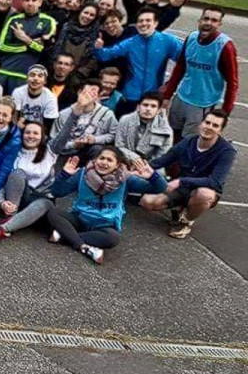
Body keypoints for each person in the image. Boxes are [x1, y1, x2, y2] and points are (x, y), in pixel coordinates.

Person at [47, 148, 166, 264]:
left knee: (113, 238)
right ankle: (83, 246)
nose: (104, 162)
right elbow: (58, 192)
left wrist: (152, 176)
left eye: (109, 160)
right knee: (52, 212)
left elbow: (160, 188)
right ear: (95, 160)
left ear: (117, 164)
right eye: (101, 158)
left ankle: (65, 236)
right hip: (80, 219)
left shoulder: (126, 179)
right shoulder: (83, 173)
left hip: (104, 226)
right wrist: (64, 174)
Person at [141, 109, 236, 239]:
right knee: (147, 201)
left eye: (215, 125)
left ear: (220, 130)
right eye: (207, 122)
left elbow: (215, 181)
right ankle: (179, 206)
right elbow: (165, 159)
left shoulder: (227, 151)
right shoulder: (188, 141)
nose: (209, 127)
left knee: (204, 195)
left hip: (203, 190)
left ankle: (186, 221)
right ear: (200, 124)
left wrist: (181, 181)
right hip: (182, 188)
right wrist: (141, 167)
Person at [161, 7, 240, 140]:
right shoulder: (191, 38)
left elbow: (233, 83)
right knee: (170, 134)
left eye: (214, 20)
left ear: (219, 24)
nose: (208, 23)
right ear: (200, 20)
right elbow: (179, 68)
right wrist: (167, 95)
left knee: (189, 142)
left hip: (202, 103)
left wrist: (224, 113)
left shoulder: (225, 46)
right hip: (182, 96)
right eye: (206, 18)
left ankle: (182, 161)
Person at [94, 7, 182, 116]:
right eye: (140, 21)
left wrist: (168, 86)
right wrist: (99, 48)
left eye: (148, 20)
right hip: (130, 95)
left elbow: (184, 61)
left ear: (155, 23)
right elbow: (106, 55)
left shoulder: (167, 41)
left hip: (152, 95)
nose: (144, 24)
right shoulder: (130, 42)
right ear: (136, 24)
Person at [0, 120, 59, 242]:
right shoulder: (15, 152)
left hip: (41, 199)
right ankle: (10, 217)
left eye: (35, 133)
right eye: (27, 132)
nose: (31, 136)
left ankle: (4, 228)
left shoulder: (51, 151)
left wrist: (76, 111)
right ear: (22, 135)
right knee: (16, 174)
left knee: (45, 203)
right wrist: (2, 202)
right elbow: (3, 181)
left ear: (42, 137)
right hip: (19, 198)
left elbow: (64, 134)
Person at [0, 0, 56, 93]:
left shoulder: (48, 21)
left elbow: (45, 49)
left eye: (34, 0)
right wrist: (30, 45)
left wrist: (25, 39)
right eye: (27, 0)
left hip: (25, 75)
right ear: (23, 2)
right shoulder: (14, 19)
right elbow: (2, 46)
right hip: (3, 71)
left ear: (40, 2)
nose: (30, 3)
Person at [50, 80, 117, 163]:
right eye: (86, 93)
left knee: (97, 148)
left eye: (93, 94)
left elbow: (113, 134)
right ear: (79, 92)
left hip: (90, 150)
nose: (88, 97)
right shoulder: (63, 114)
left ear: (97, 96)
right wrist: (73, 144)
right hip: (65, 153)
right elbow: (54, 142)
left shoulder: (107, 114)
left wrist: (95, 139)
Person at [115, 91, 173, 166]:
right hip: (124, 160)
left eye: (153, 106)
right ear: (138, 107)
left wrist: (144, 167)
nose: (148, 109)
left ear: (158, 110)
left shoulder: (166, 131)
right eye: (145, 105)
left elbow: (162, 156)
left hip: (151, 166)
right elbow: (119, 145)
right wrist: (133, 157)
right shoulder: (125, 120)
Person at [11, 65, 59, 131]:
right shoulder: (18, 92)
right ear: (27, 79)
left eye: (40, 76)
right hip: (18, 128)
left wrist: (26, 125)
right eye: (32, 75)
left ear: (45, 81)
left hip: (40, 131)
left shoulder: (51, 97)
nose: (36, 78)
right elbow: (14, 118)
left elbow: (48, 125)